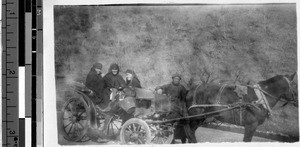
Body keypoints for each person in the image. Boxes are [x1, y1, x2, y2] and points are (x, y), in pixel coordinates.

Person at [155, 73, 188, 143]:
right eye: (175, 79)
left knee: (182, 123)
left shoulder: (182, 88)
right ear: (172, 79)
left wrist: (183, 109)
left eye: (178, 79)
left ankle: (183, 139)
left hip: (179, 107)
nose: (176, 80)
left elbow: (184, 99)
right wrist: (159, 89)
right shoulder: (168, 86)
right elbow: (159, 87)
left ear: (179, 80)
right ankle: (171, 139)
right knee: (170, 123)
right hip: (169, 107)